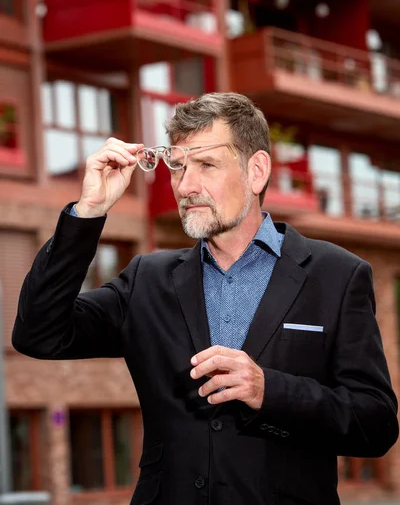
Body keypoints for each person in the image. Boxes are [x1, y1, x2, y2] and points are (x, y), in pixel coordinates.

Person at [13, 93, 398, 505]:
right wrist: (87, 212)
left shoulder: (337, 275)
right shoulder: (147, 279)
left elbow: (374, 424)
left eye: (207, 165)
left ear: (256, 171)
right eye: (178, 166)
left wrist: (269, 390)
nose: (185, 185)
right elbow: (39, 333)